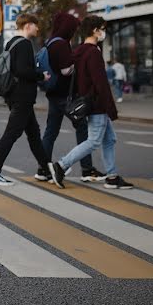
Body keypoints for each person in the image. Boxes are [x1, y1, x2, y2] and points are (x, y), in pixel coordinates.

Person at [49, 16, 133, 190]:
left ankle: (112, 176)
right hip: (96, 104)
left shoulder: (79, 50)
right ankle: (61, 166)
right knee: (94, 141)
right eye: (102, 28)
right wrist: (111, 108)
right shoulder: (93, 52)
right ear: (95, 30)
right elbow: (100, 83)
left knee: (109, 139)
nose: (104, 32)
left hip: (90, 102)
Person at [36, 12, 105, 183]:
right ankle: (87, 170)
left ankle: (43, 169)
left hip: (54, 94)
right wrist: (80, 61)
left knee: (50, 132)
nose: (74, 31)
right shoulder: (61, 45)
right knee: (82, 128)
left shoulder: (51, 41)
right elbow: (66, 70)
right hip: (64, 95)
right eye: (73, 28)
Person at [0, 13, 50, 186]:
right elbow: (21, 71)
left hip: (15, 95)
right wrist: (40, 75)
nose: (38, 29)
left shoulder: (11, 43)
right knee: (12, 133)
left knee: (33, 134)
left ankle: (47, 169)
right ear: (28, 25)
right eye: (36, 25)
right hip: (22, 97)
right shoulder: (25, 44)